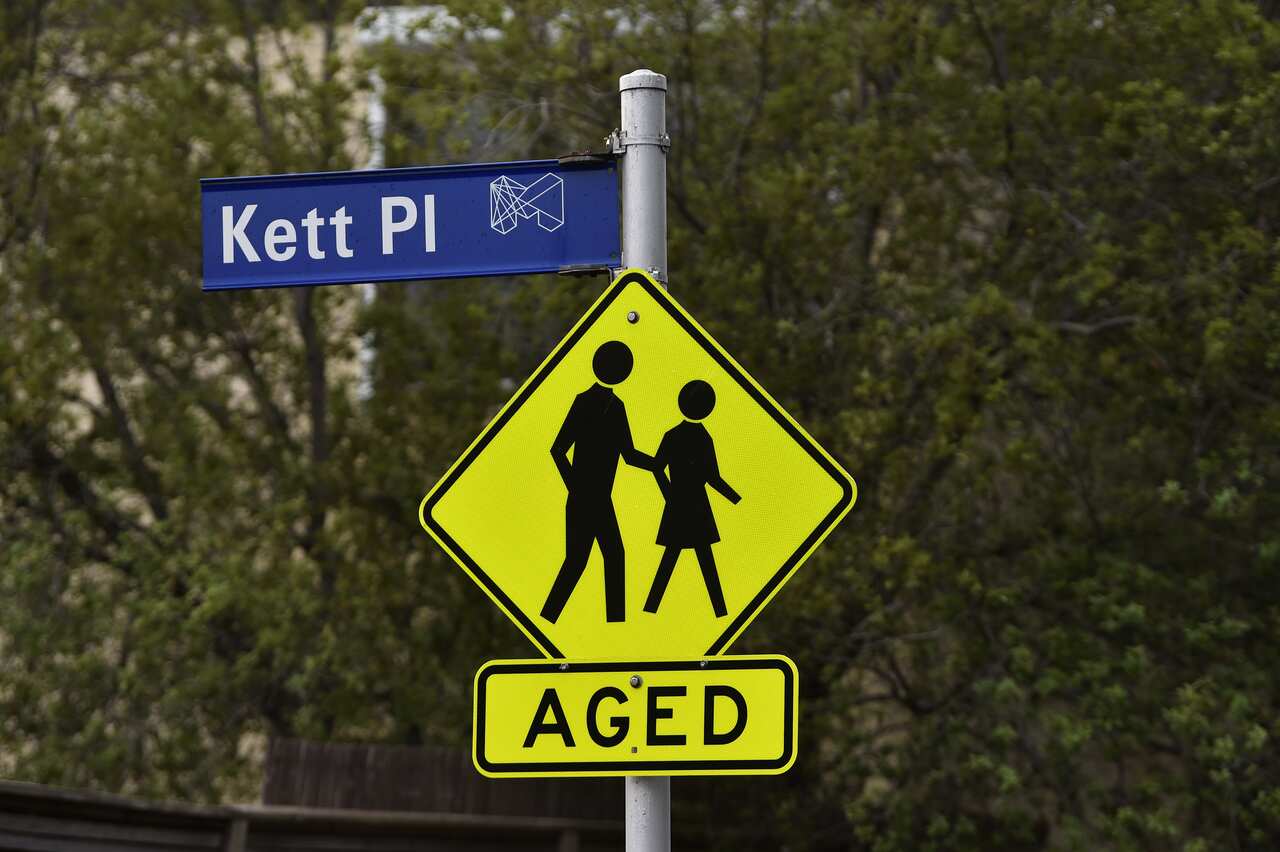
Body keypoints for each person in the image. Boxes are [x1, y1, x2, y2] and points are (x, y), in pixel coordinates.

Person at [540, 340, 655, 624]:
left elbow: (628, 454)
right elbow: (557, 449)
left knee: (612, 556)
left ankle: (614, 625)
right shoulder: (584, 402)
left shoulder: (617, 407)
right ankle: (549, 618)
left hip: (601, 499)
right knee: (579, 561)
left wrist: (657, 464)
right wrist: (574, 486)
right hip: (584, 498)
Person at [643, 379, 741, 617]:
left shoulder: (673, 435)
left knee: (675, 557)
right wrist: (736, 499)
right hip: (696, 507)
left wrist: (669, 495)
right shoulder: (703, 438)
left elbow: (657, 467)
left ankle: (651, 608)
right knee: (702, 559)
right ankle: (719, 611)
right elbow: (713, 478)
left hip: (681, 506)